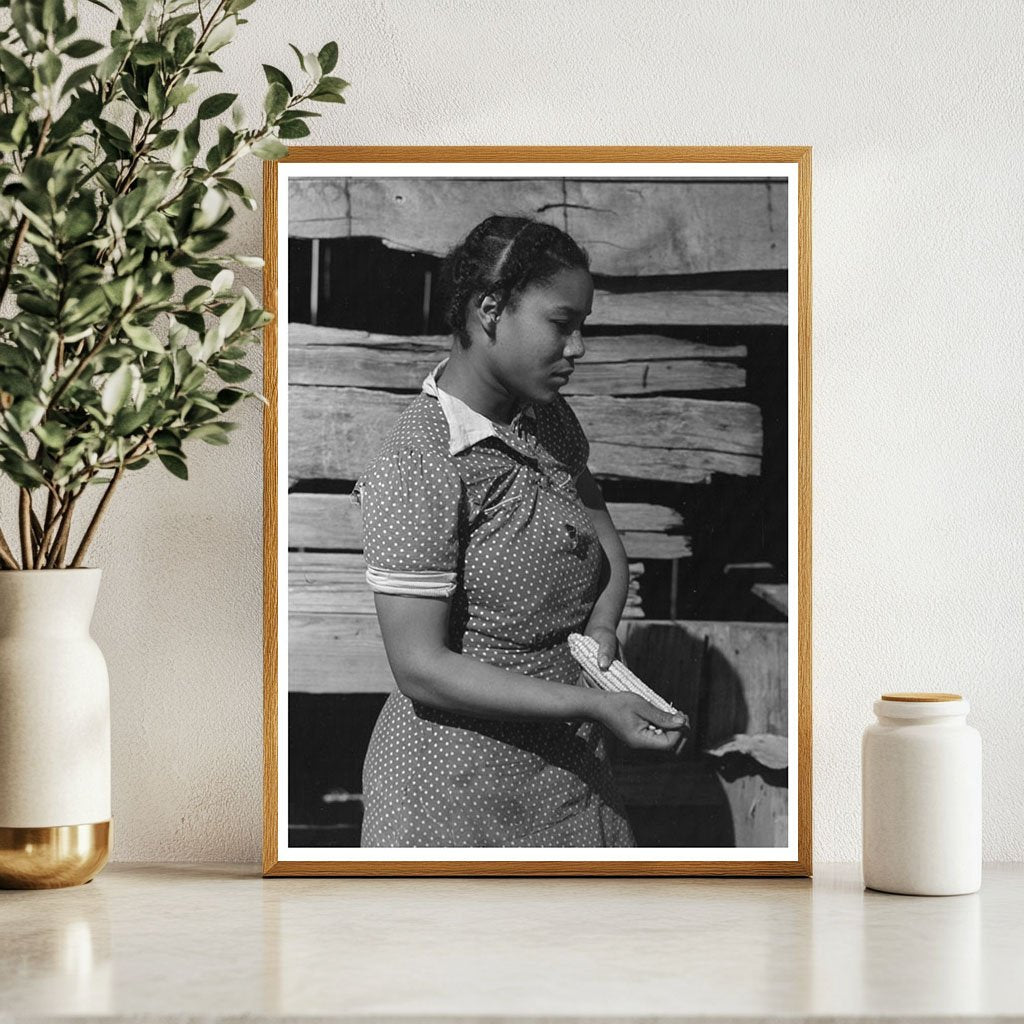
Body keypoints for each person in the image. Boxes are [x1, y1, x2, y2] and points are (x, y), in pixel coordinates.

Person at [351, 214, 688, 848]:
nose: (579, 348)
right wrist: (593, 704)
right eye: (562, 324)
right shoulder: (419, 462)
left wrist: (602, 640)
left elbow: (609, 557)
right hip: (450, 793)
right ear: (490, 309)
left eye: (582, 327)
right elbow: (420, 667)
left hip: (566, 780)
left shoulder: (549, 422)